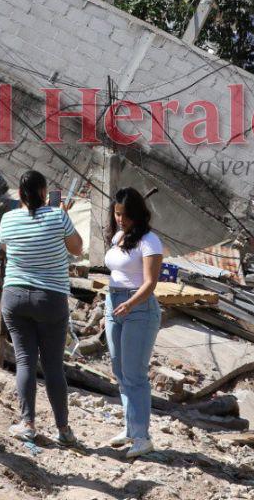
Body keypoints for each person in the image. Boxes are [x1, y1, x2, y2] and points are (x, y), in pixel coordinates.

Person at [0, 170, 83, 446]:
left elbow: (6, 247)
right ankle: (63, 429)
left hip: (14, 297)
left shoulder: (7, 219)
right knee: (53, 366)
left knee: (24, 360)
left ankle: (27, 423)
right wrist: (63, 215)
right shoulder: (57, 216)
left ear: (19, 194)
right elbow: (78, 248)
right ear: (44, 193)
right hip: (51, 299)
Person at [104, 187, 163, 459]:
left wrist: (130, 303)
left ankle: (142, 436)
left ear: (137, 214)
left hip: (138, 307)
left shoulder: (149, 240)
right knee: (119, 369)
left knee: (135, 374)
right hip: (113, 302)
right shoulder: (119, 236)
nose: (120, 219)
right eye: (117, 214)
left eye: (125, 215)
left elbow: (150, 283)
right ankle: (130, 427)